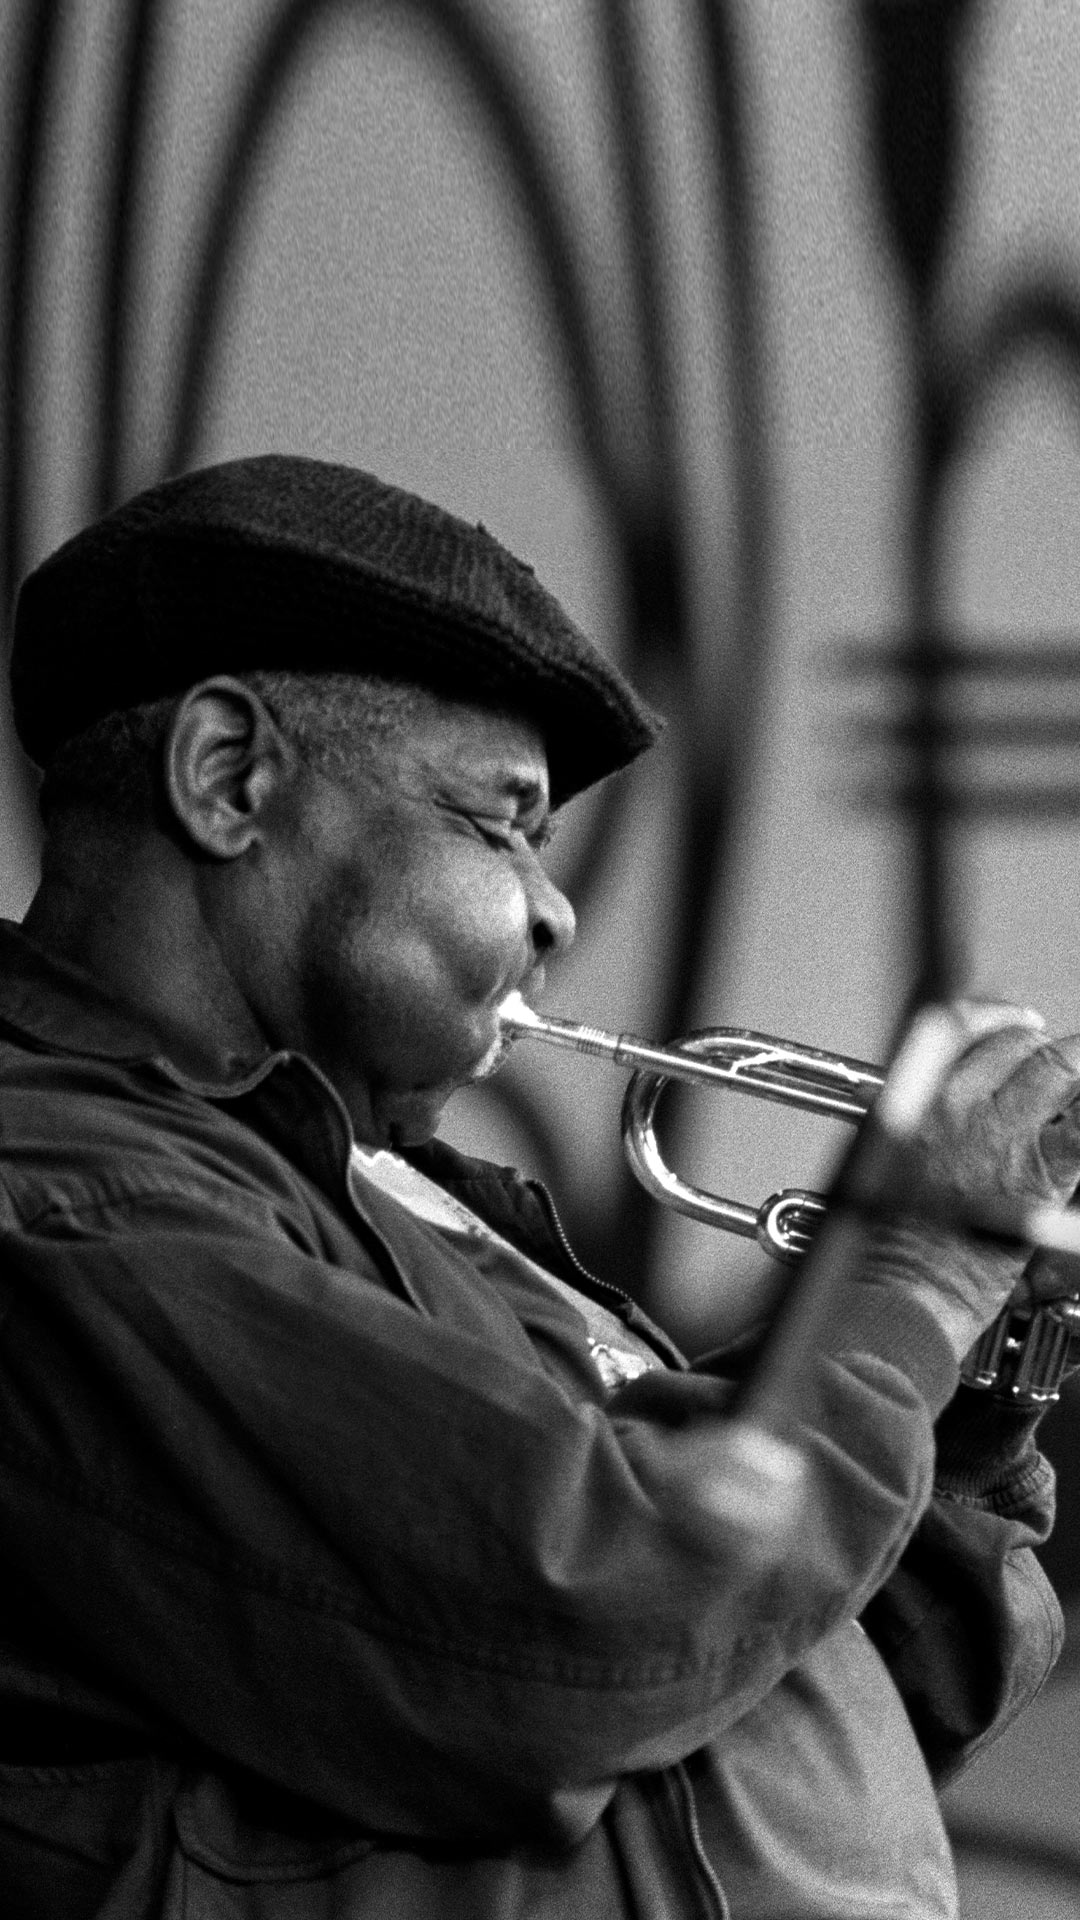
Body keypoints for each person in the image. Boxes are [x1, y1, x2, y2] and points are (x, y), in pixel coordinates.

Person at [0, 452, 1078, 1920]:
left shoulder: (407, 1203)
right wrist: (913, 1273)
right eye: (501, 821)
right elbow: (587, 1622)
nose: (556, 909)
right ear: (229, 776)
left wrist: (962, 1388)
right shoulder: (70, 1197)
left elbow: (795, 1684)